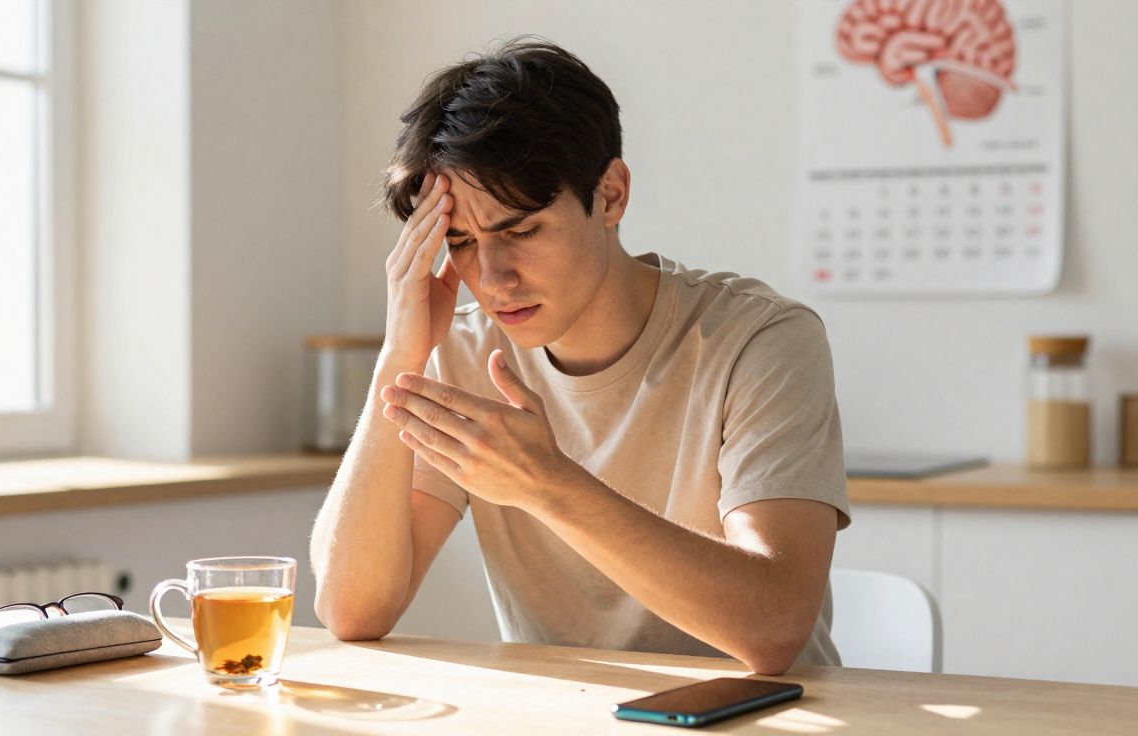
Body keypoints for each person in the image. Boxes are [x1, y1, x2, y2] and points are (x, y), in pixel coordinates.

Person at [309, 37, 851, 675]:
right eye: (459, 241)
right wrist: (399, 356)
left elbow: (775, 626)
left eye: (521, 230)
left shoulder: (761, 340)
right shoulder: (459, 349)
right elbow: (352, 610)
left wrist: (547, 484)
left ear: (612, 195)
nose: (494, 277)